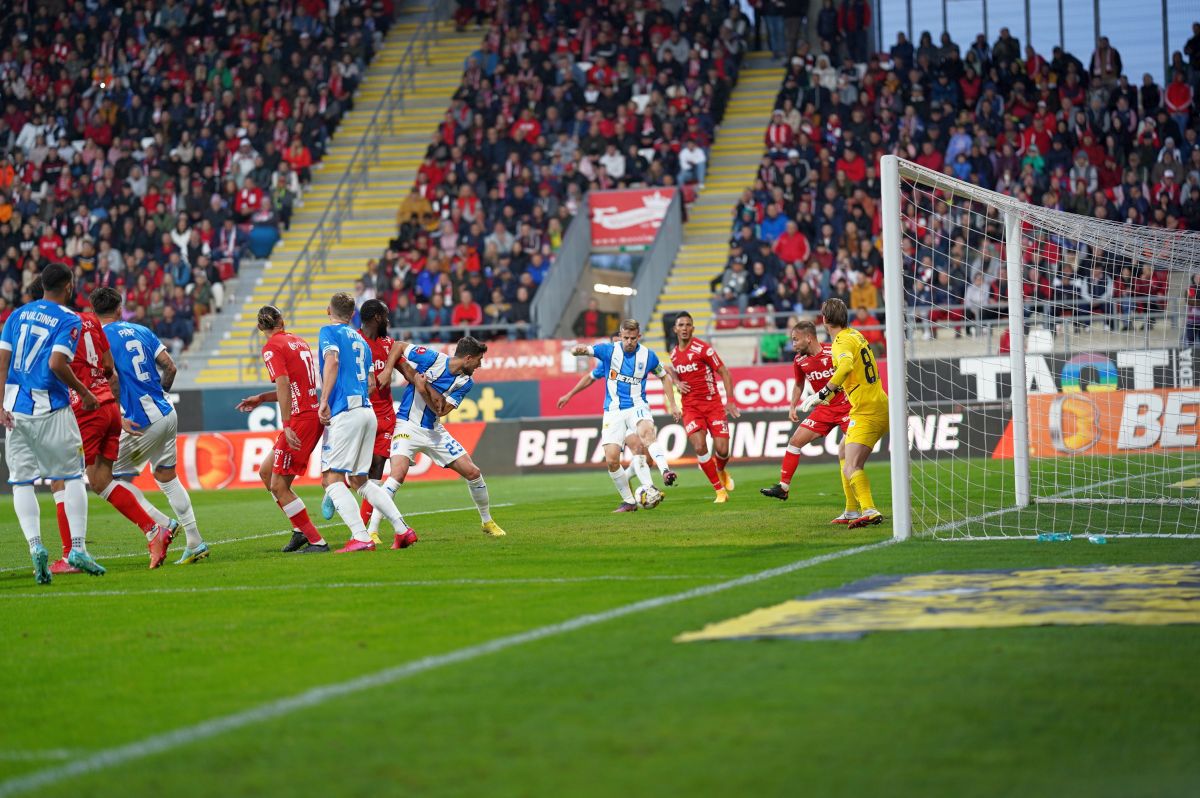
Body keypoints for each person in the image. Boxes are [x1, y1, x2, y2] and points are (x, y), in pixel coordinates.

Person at [45, 281, 175, 573]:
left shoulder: (61, 327)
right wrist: (115, 410)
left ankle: (71, 556)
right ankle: (154, 530)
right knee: (101, 479)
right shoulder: (92, 324)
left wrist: (82, 395)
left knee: (62, 478)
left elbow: (54, 367)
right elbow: (110, 371)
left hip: (86, 407)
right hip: (109, 409)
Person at [0, 263, 105, 582]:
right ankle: (77, 549)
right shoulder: (68, 318)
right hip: (50, 407)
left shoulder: (17, 315)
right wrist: (85, 392)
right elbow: (57, 363)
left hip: (14, 408)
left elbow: (2, 362)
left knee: (21, 481)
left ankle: (35, 548)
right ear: (69, 286)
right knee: (72, 475)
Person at [93, 287, 211, 564]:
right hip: (166, 411)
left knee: (102, 479)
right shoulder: (141, 331)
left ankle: (161, 524)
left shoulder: (100, 338)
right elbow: (170, 367)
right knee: (166, 477)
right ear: (120, 308)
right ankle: (194, 541)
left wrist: (119, 414)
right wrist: (161, 394)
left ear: (94, 313)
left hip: (141, 419)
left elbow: (112, 380)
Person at [372, 335, 507, 539]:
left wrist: (422, 388)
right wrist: (388, 369)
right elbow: (398, 346)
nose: (480, 365)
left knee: (473, 472)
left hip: (434, 431)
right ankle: (372, 531)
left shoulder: (465, 382)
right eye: (479, 360)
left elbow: (442, 410)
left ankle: (487, 521)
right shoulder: (433, 359)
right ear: (468, 358)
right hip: (407, 426)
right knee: (396, 475)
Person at [317, 291, 412, 552]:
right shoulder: (360, 340)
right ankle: (402, 530)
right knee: (360, 480)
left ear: (329, 310)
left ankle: (360, 536)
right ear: (352, 314)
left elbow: (332, 361)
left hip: (346, 411)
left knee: (332, 479)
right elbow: (371, 382)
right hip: (368, 411)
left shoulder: (329, 332)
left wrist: (324, 400)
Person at [557, 320, 682, 512]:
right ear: (620, 335)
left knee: (646, 434)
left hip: (637, 406)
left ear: (638, 336)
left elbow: (664, 376)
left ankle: (665, 471)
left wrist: (673, 404)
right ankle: (630, 501)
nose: (629, 342)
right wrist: (578, 351)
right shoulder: (608, 351)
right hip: (613, 412)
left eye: (633, 338)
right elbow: (586, 352)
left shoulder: (648, 355)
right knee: (612, 459)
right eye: (626, 338)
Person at [235, 305, 329, 554]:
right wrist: (262, 398)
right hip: (310, 412)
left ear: (259, 328)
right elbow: (294, 386)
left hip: (300, 420)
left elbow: (285, 385)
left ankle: (316, 541)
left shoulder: (271, 348)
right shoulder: (298, 342)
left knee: (278, 486)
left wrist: (286, 425)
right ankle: (299, 531)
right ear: (282, 321)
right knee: (267, 473)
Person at [798, 299, 888, 529]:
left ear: (825, 320)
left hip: (866, 410)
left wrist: (823, 392)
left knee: (851, 465)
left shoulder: (839, 343)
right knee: (842, 451)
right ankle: (850, 509)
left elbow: (846, 366)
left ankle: (868, 509)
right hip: (878, 401)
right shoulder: (855, 334)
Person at [760, 320, 861, 524]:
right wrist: (792, 405)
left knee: (850, 457)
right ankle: (784, 488)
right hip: (823, 409)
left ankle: (859, 508)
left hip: (847, 408)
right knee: (795, 442)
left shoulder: (832, 350)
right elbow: (798, 383)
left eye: (795, 339)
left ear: (809, 337)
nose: (793, 344)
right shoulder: (799, 361)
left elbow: (850, 371)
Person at [669, 312, 740, 503]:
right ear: (675, 329)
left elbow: (724, 372)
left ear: (692, 328)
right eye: (681, 325)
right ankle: (719, 491)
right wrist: (676, 381)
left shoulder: (704, 349)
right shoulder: (674, 354)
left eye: (688, 325)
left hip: (713, 405)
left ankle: (721, 470)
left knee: (722, 450)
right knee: (699, 446)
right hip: (691, 407)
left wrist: (730, 400)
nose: (684, 328)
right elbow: (671, 371)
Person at [345, 299, 397, 544]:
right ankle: (337, 488)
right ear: (377, 317)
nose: (388, 319)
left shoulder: (389, 343)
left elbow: (406, 369)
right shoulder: (352, 342)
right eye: (385, 315)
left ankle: (363, 532)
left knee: (376, 470)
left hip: (385, 416)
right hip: (359, 414)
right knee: (354, 474)